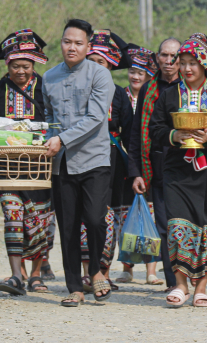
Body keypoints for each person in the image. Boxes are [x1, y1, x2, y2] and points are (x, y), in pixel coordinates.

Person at [149, 33, 207, 308]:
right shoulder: (169, 95)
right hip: (176, 169)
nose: (187, 68)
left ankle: (202, 286)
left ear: (204, 65)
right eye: (183, 62)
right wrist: (173, 136)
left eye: (193, 63)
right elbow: (155, 129)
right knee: (177, 225)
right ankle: (180, 284)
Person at [42, 19, 114, 307]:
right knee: (68, 225)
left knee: (96, 219)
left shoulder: (100, 75)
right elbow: (48, 118)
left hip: (94, 159)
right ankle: (74, 286)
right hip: (61, 164)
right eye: (67, 41)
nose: (71, 47)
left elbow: (96, 117)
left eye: (78, 43)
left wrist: (62, 139)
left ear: (88, 45)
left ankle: (95, 269)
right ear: (61, 42)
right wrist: (47, 139)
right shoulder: (48, 77)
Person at [0, 29, 55, 296]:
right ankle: (16, 274)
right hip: (6, 167)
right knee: (13, 216)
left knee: (41, 220)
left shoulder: (46, 87)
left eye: (26, 66)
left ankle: (36, 274)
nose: (21, 71)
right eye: (15, 66)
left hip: (40, 168)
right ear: (7, 65)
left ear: (34, 64)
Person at [80, 30, 134, 290]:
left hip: (111, 159)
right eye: (91, 61)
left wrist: (136, 171)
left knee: (108, 215)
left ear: (110, 66)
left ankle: (103, 270)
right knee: (85, 214)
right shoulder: (77, 89)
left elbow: (130, 132)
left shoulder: (119, 95)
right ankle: (84, 271)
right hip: (81, 155)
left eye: (101, 62)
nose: (95, 67)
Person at [128, 37, 182, 290]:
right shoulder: (149, 90)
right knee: (164, 226)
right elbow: (137, 134)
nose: (169, 62)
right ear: (157, 58)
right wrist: (136, 171)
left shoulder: (191, 88)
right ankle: (173, 282)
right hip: (157, 167)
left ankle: (191, 277)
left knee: (187, 223)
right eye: (164, 56)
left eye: (174, 57)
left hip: (188, 166)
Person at [114, 46, 162, 285]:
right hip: (126, 162)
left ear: (149, 76)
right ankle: (127, 267)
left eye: (140, 73)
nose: (135, 76)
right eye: (132, 71)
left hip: (150, 162)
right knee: (127, 215)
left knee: (150, 216)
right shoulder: (121, 96)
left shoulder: (155, 96)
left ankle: (151, 270)